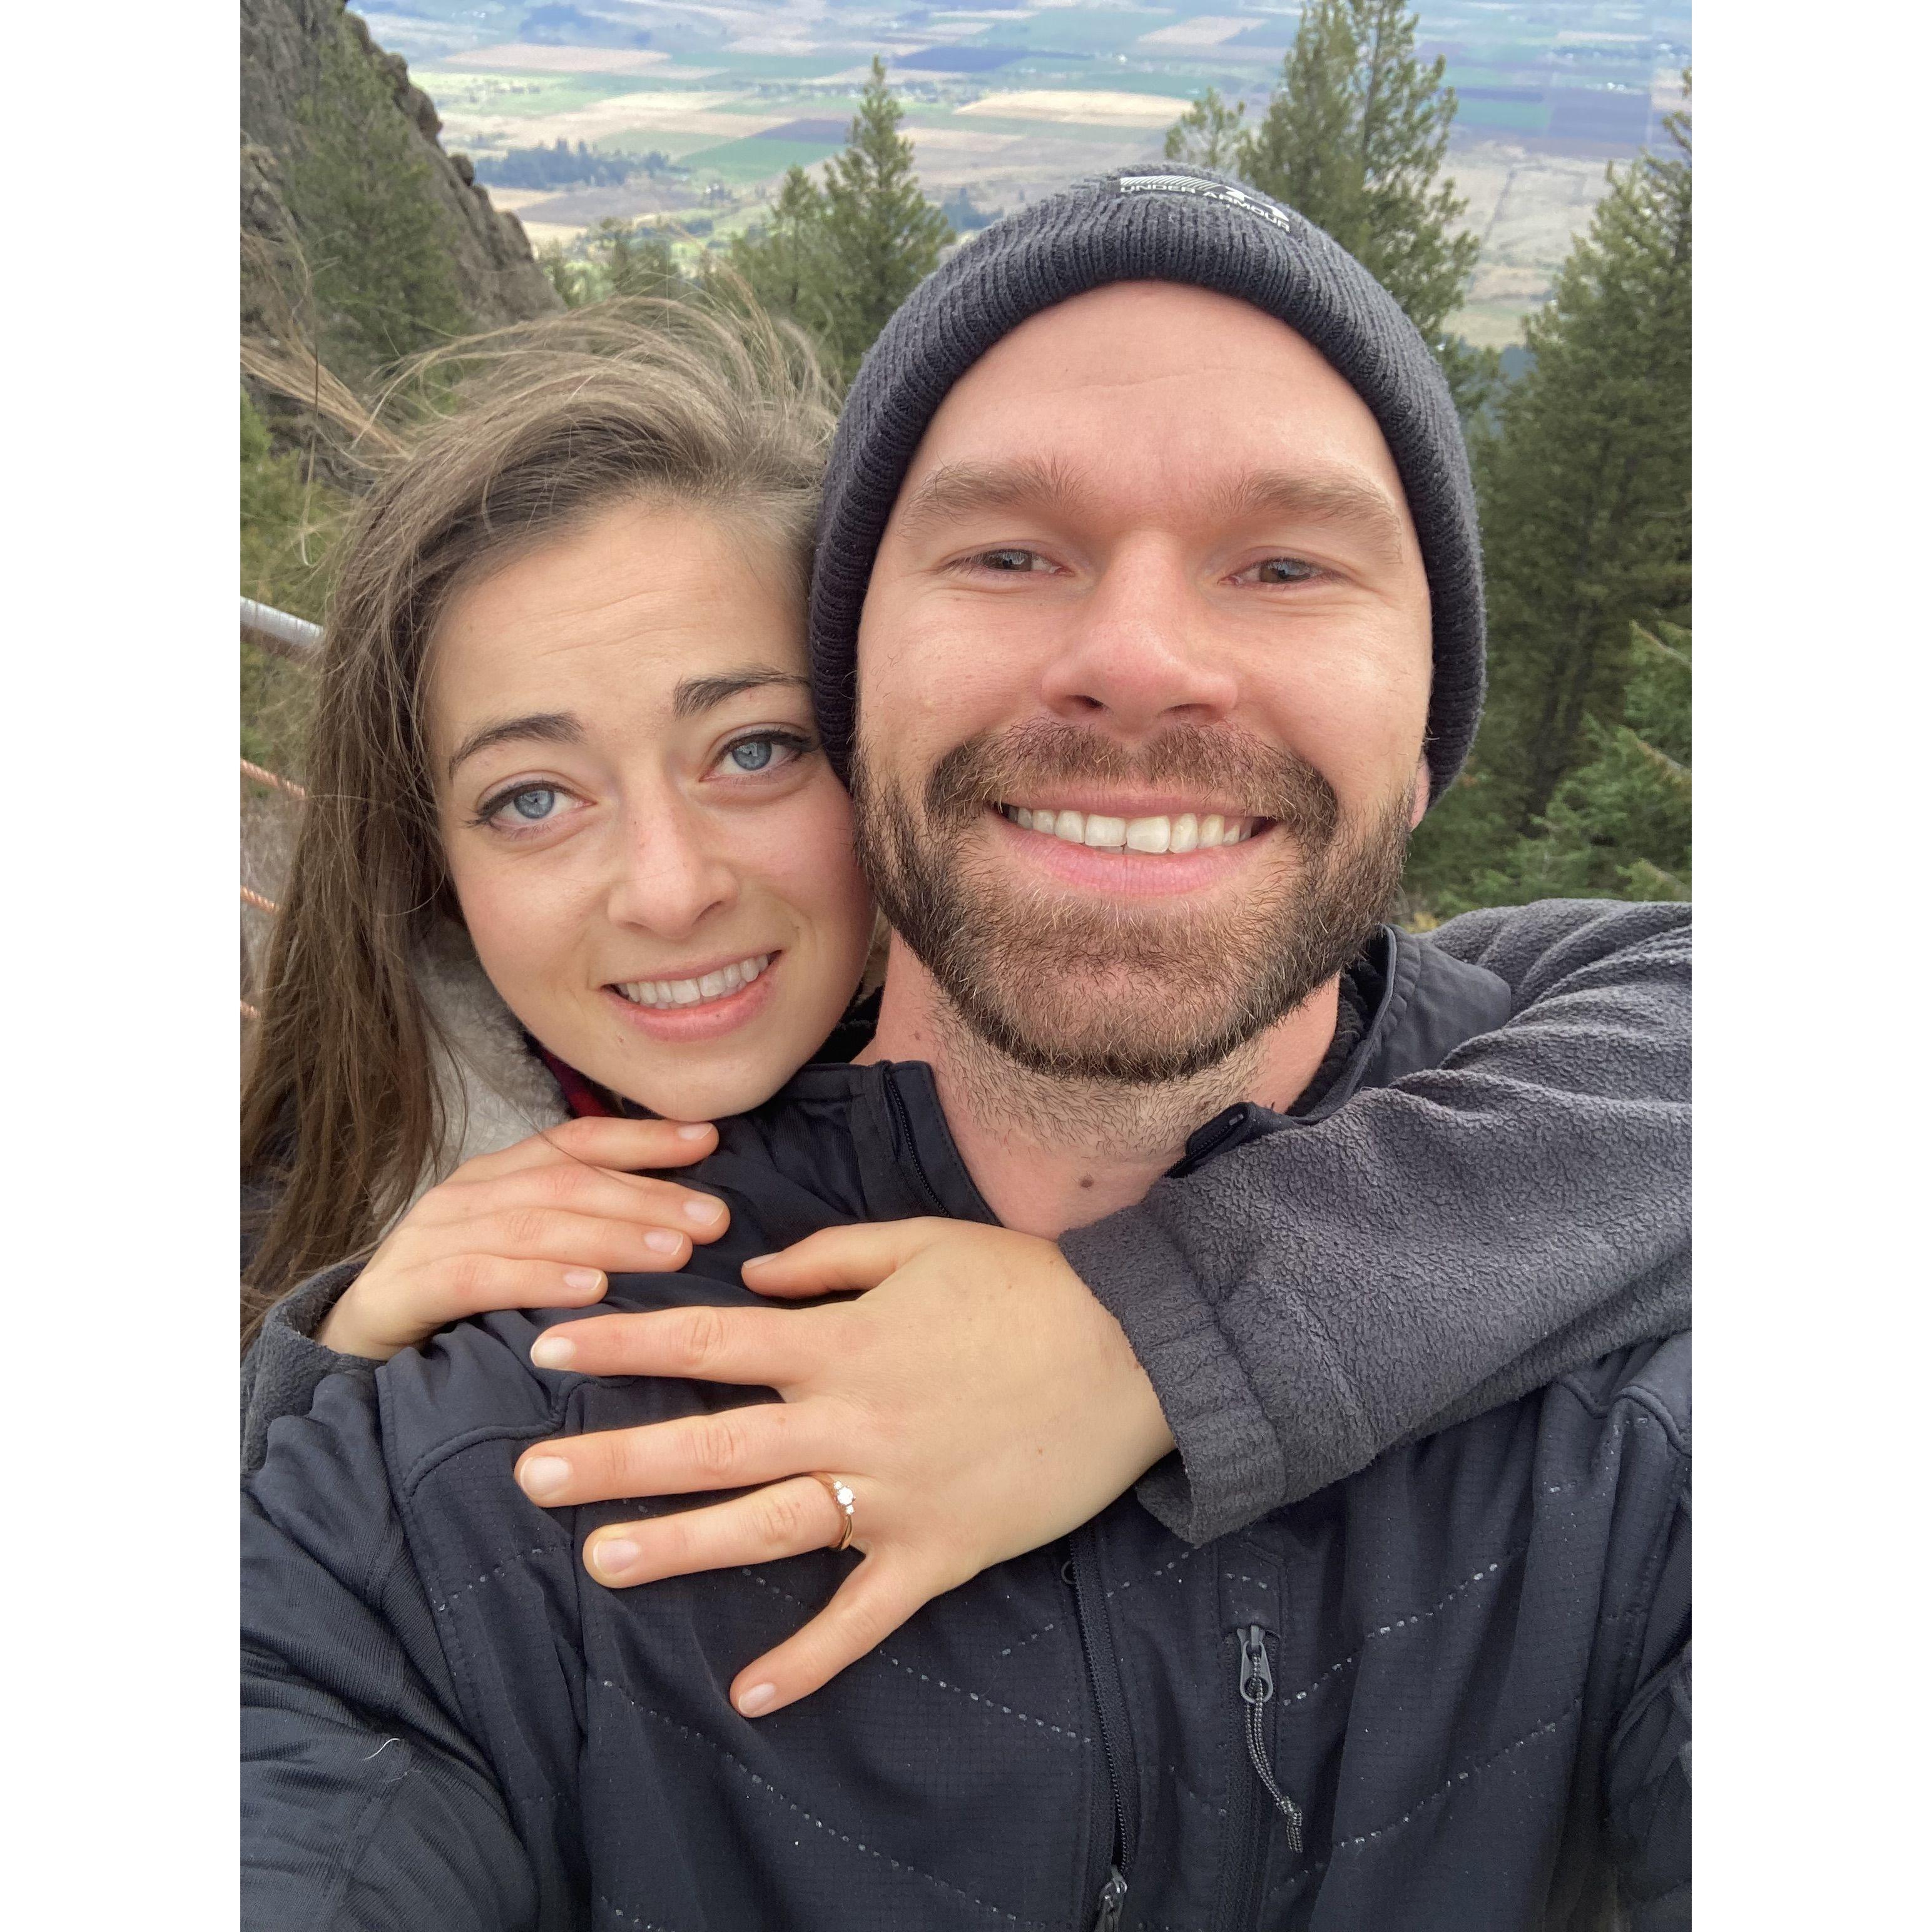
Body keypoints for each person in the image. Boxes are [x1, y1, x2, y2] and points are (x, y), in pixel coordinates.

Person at [244, 168, 1687, 1928]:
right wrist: (314, 1395)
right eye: (1009, 551)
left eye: (1287, 562)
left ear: (1428, 727)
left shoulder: (1641, 1308)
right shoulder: (470, 1439)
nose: (1139, 660)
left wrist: (1152, 1337)